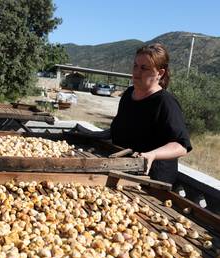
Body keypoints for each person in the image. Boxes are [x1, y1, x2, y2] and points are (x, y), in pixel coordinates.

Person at [76, 43, 192, 184]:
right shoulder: (128, 94)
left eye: (144, 68)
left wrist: (152, 154)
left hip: (151, 179)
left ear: (159, 73)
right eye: (135, 66)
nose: (137, 72)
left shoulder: (165, 102)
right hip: (122, 171)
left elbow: (181, 145)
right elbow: (117, 131)